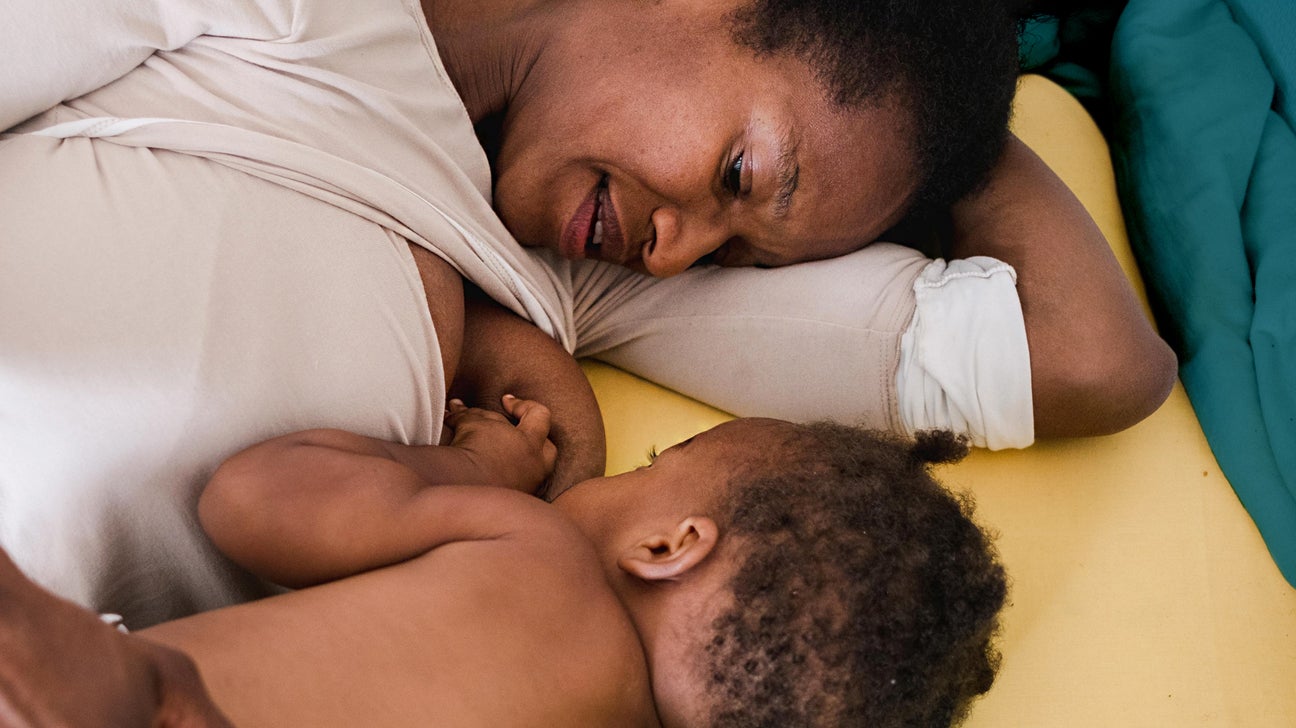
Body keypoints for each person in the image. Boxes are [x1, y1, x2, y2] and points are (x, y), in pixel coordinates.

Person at [1, 0, 1169, 624]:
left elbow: (1091, 359)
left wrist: (938, 123)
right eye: (741, 177)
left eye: (745, 254)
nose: (689, 252)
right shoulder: (291, 18)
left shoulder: (569, 273)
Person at [0, 399, 1008, 727]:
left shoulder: (530, 548)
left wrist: (471, 463)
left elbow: (250, 501)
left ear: (669, 545)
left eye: (667, 462)